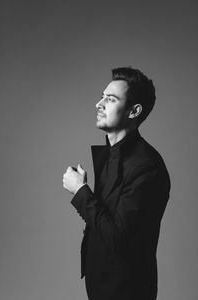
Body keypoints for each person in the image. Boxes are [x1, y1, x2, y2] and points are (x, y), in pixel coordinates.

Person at [63, 67, 171, 300]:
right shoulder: (111, 156)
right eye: (102, 96)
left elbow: (120, 238)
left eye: (110, 99)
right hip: (101, 288)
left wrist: (81, 192)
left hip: (127, 292)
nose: (99, 104)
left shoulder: (147, 166)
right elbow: (105, 221)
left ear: (134, 111)